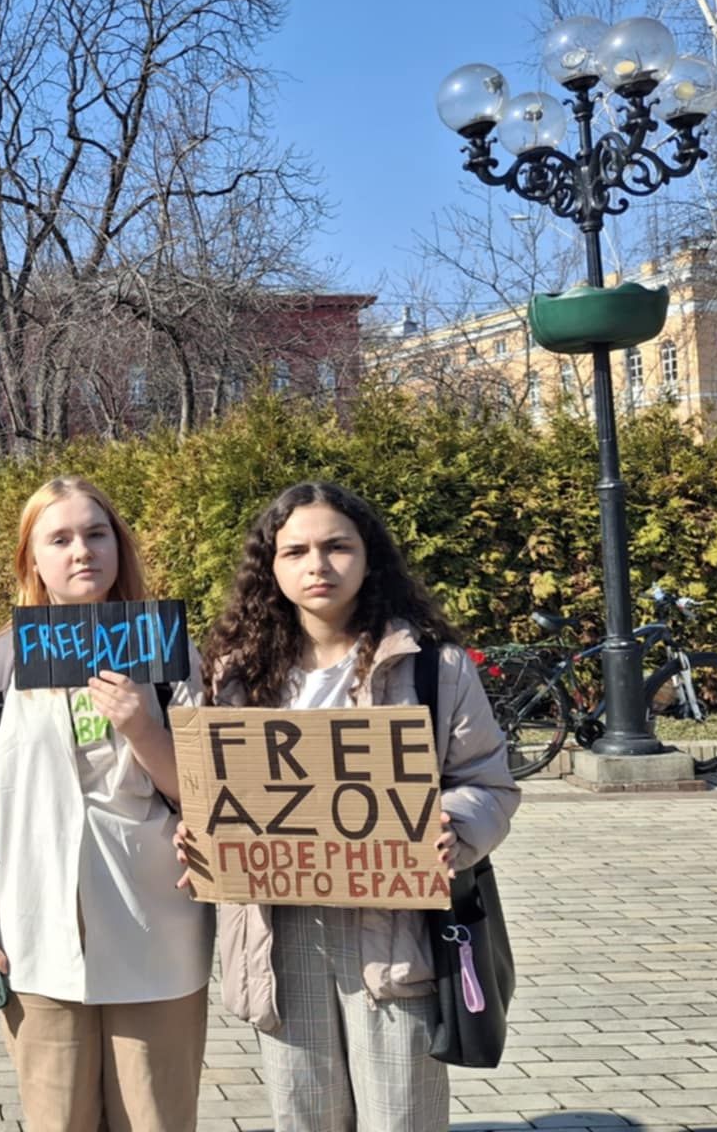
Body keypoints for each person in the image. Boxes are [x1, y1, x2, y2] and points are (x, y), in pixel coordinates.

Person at [176, 482, 519, 1132]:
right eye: (296, 550)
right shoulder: (231, 676)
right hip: (281, 936)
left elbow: (488, 785)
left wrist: (458, 829)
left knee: (401, 1118)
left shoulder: (432, 668)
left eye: (337, 547)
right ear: (270, 566)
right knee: (303, 1118)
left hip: (392, 933)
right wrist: (199, 840)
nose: (317, 565)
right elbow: (206, 796)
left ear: (369, 557)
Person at [0, 476, 213, 1131]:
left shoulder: (168, 656)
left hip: (155, 931)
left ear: (119, 546)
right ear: (32, 559)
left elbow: (204, 798)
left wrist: (142, 726)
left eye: (96, 534)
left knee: (155, 1118)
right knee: (57, 1119)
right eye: (59, 539)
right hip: (37, 936)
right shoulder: (0, 664)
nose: (82, 551)